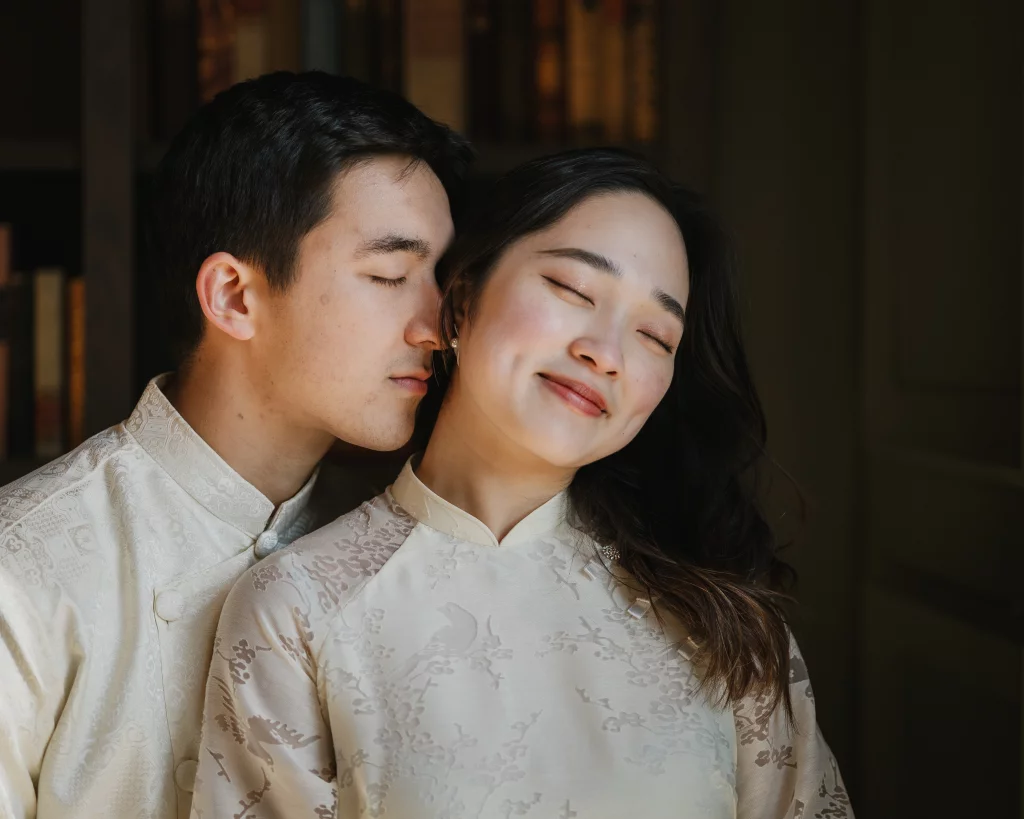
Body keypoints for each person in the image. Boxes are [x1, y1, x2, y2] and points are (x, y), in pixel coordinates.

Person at [190, 149, 852, 818]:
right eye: (572, 290)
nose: (607, 352)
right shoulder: (299, 608)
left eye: (655, 334)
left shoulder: (725, 624)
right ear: (462, 298)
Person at [0, 71, 472, 819]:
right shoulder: (23, 569)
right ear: (233, 297)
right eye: (389, 274)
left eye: (440, 278)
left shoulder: (413, 557)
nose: (436, 326)